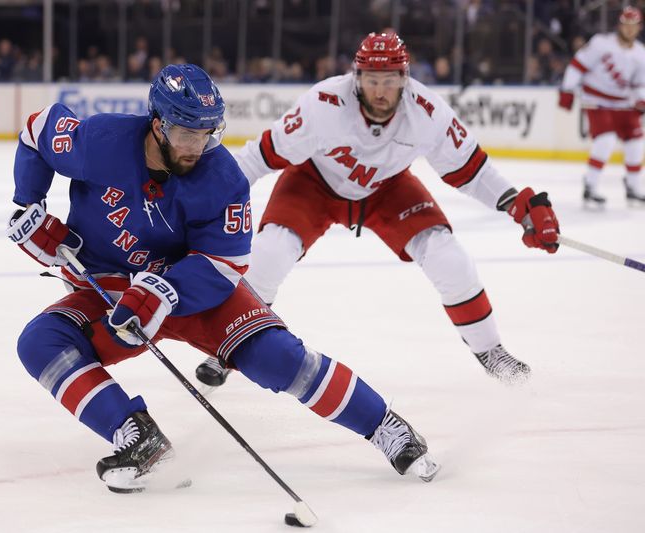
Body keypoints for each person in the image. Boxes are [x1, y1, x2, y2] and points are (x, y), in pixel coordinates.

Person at [7, 64, 441, 493]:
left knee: (280, 358)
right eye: (187, 134)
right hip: (113, 292)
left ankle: (383, 424)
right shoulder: (100, 142)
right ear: (158, 125)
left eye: (208, 133)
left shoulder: (222, 178)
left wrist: (165, 290)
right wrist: (30, 205)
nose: (198, 146)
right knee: (40, 342)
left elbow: (224, 262)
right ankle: (138, 438)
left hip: (196, 295)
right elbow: (37, 131)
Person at [195, 32, 560, 388]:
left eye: (389, 80)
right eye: (372, 80)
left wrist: (519, 205)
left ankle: (491, 351)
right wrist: (207, 197)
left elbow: (471, 170)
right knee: (270, 252)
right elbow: (260, 156)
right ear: (357, 78)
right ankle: (227, 345)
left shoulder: (427, 111)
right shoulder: (322, 104)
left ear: (405, 78)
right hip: (313, 182)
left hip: (387, 187)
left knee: (449, 257)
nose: (381, 91)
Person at [559, 6, 645, 207]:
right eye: (626, 25)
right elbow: (577, 65)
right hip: (597, 101)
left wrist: (641, 99)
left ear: (639, 27)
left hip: (624, 104)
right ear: (619, 25)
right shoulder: (600, 43)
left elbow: (640, 84)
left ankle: (633, 187)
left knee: (636, 142)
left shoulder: (641, 54)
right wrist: (567, 90)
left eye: (634, 26)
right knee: (605, 141)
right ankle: (591, 185)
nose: (629, 30)